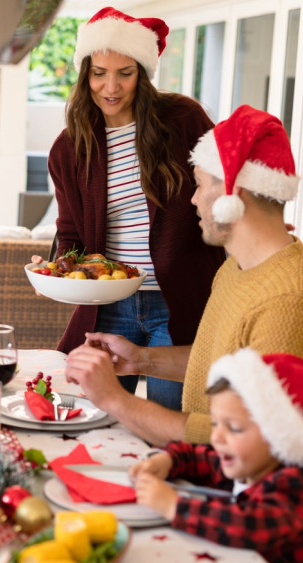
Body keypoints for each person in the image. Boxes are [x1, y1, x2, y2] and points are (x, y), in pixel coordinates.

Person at [65, 104, 303, 446]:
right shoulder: (233, 271)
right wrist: (140, 359)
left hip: (224, 487)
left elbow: (255, 442)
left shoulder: (285, 300)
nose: (192, 200)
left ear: (231, 194)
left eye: (199, 185)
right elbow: (219, 366)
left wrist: (115, 400)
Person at [35, 7, 225, 409]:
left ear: (143, 73)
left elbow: (222, 187)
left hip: (179, 302)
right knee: (87, 416)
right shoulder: (68, 149)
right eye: (99, 72)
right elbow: (71, 233)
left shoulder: (183, 120)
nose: (111, 87)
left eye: (125, 73)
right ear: (85, 74)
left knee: (170, 424)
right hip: (110, 303)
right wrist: (55, 266)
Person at [130, 348, 303, 563]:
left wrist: (174, 506)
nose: (217, 437)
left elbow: (248, 526)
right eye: (215, 424)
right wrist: (167, 459)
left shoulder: (292, 485)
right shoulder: (247, 465)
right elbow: (197, 455)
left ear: (279, 436)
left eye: (233, 428)